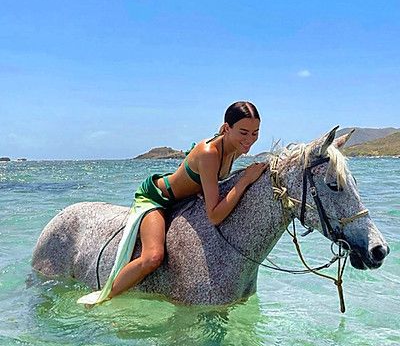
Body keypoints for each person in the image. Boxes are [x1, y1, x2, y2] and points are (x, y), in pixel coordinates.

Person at [77, 101, 268, 305]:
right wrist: (245, 180)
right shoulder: (210, 152)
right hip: (158, 198)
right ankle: (104, 296)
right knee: (153, 257)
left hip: (183, 201)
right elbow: (214, 215)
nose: (249, 140)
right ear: (227, 127)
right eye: (244, 132)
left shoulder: (236, 148)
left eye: (255, 133)